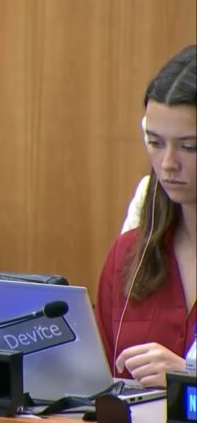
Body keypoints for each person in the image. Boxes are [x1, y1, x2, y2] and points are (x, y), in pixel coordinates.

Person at [95, 45, 196, 388]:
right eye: (155, 142)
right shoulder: (128, 256)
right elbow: (97, 384)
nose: (168, 163)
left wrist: (187, 378)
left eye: (189, 146)